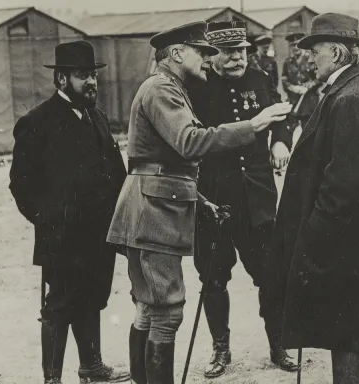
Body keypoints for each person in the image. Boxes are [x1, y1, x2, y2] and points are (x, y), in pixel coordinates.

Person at [105, 21, 292, 384]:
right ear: (177, 54)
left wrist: (201, 199)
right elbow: (189, 143)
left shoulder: (174, 86)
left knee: (150, 307)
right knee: (167, 310)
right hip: (155, 210)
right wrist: (253, 126)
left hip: (178, 204)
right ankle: (215, 350)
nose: (208, 59)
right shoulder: (165, 89)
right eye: (201, 52)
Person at [273, 13, 359, 384]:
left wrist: (313, 234)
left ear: (336, 52)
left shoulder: (350, 97)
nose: (309, 59)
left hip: (345, 243)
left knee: (347, 334)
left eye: (315, 52)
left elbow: (345, 184)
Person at [9, 41, 130, 384]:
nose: (91, 82)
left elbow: (116, 173)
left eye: (93, 75)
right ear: (61, 79)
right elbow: (21, 184)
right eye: (82, 76)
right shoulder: (37, 122)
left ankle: (91, 368)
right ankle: (52, 379)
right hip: (62, 236)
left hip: (99, 234)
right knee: (59, 305)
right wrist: (47, 219)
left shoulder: (98, 118)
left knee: (92, 299)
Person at [184, 20, 297, 379]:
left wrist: (281, 139)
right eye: (228, 52)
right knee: (213, 278)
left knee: (270, 274)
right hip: (215, 201)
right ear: (211, 55)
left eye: (241, 50)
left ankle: (277, 344)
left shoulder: (260, 78)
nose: (237, 58)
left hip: (258, 199)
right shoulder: (196, 87)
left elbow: (281, 114)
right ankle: (221, 349)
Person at [281, 32, 313, 107]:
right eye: (292, 45)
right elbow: (284, 81)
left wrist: (309, 85)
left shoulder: (311, 59)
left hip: (309, 101)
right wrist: (293, 88)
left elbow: (319, 79)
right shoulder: (287, 62)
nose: (295, 47)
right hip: (293, 101)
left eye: (298, 44)